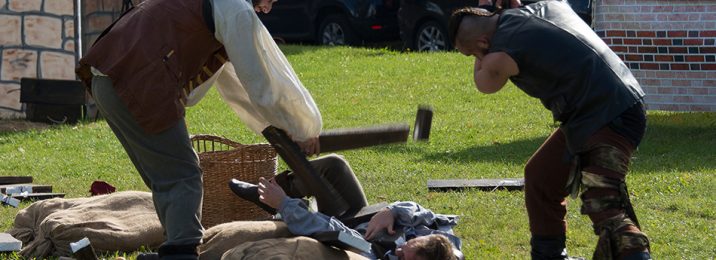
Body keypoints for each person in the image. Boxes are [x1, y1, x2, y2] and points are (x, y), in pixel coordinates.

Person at [75, 0, 322, 258]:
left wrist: (286, 130)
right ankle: (182, 252)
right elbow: (261, 80)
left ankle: (175, 247)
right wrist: (302, 129)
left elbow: (236, 82)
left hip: (107, 77)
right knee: (183, 176)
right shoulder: (236, 8)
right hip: (137, 79)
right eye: (270, 0)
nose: (268, 8)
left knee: (165, 175)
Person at [447, 1, 651, 259]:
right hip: (599, 111)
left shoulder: (499, 56)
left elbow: (484, 84)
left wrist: (477, 55)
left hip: (611, 113)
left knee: (603, 203)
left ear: (483, 43)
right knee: (541, 176)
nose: (476, 60)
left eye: (471, 54)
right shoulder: (547, 4)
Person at [229, 154, 463, 260]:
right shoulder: (443, 241)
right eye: (409, 245)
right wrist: (392, 211)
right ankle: (279, 190)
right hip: (363, 214)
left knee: (311, 214)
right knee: (335, 165)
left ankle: (274, 200)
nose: (399, 251)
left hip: (349, 229)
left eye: (402, 258)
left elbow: (338, 232)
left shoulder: (370, 255)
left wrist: (284, 204)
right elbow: (421, 210)